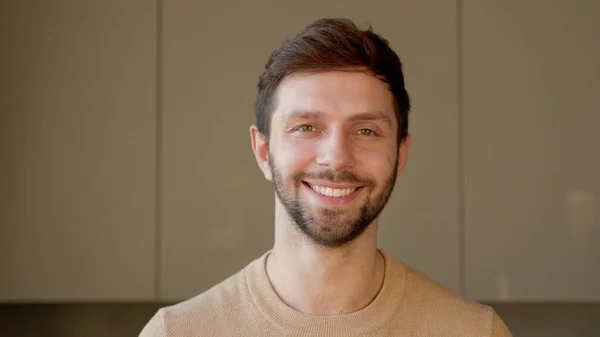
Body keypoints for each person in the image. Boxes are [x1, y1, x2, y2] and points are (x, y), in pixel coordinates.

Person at [140, 18, 512, 337]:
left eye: (366, 131)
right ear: (263, 151)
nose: (336, 157)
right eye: (306, 127)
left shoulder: (474, 332)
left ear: (400, 154)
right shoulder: (176, 332)